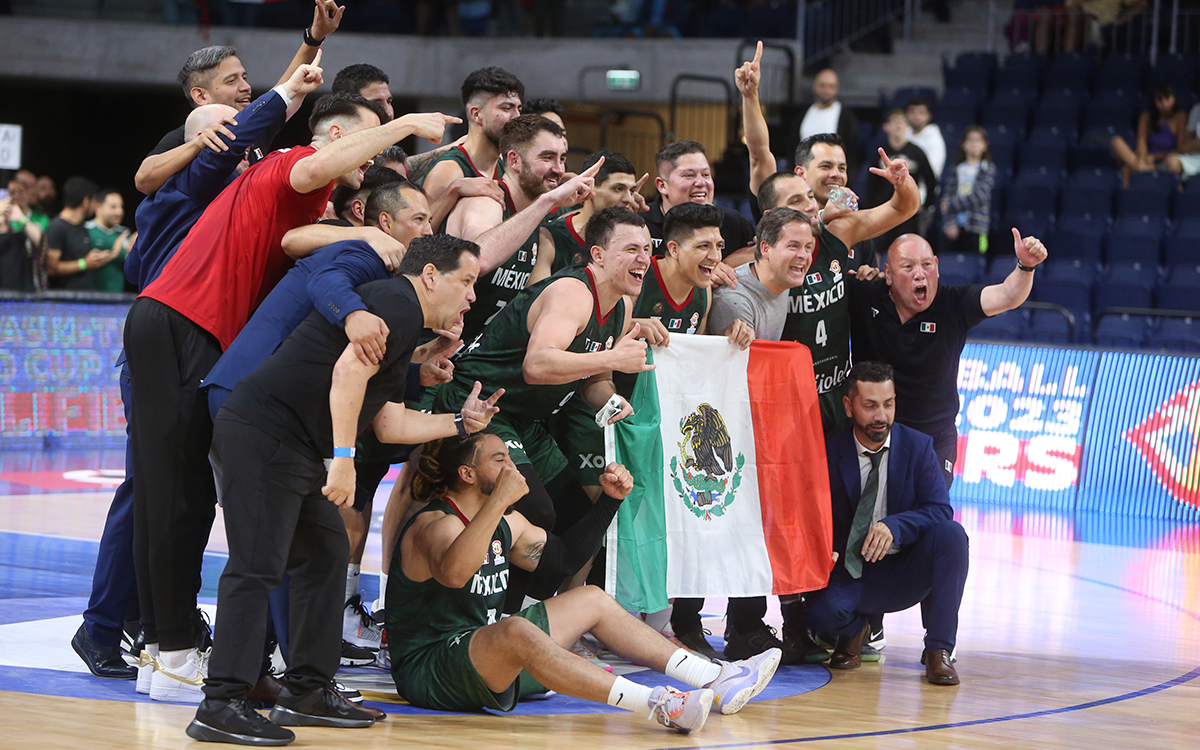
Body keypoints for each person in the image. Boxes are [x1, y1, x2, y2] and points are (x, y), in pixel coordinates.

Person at [126, 85, 457, 702]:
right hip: (189, 328)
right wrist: (405, 123)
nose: (367, 163)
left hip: (202, 341)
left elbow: (297, 243)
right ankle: (180, 656)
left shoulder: (313, 213)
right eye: (363, 144)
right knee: (184, 507)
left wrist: (418, 376)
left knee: (206, 509)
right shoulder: (299, 167)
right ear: (336, 138)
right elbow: (307, 233)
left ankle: (212, 658)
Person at [71, 65, 329, 689]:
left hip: (184, 335)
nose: (244, 92)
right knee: (159, 494)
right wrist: (296, 86)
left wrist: (307, 56)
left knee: (175, 494)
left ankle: (162, 639)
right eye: (232, 83)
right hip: (174, 332)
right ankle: (142, 637)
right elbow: (236, 138)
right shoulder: (198, 177)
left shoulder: (223, 184)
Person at [186, 235, 500, 746]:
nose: (471, 295)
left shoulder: (402, 322)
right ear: (430, 276)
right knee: (256, 566)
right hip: (265, 434)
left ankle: (306, 691)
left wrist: (461, 423)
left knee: (325, 553)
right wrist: (344, 462)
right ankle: (220, 703)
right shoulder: (397, 301)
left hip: (287, 443)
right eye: (465, 281)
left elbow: (391, 425)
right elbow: (348, 372)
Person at [384, 432, 781, 730]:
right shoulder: (434, 525)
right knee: (516, 630)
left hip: (480, 653)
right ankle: (660, 704)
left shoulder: (508, 523)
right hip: (430, 668)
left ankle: (715, 678)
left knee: (590, 598)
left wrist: (609, 501)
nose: (513, 467)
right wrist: (500, 500)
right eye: (499, 459)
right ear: (467, 474)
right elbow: (455, 573)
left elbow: (565, 559)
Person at [428, 206, 653, 610]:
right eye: (631, 249)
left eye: (648, 249)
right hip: (479, 404)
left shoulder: (620, 305)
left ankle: (525, 615)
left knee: (576, 516)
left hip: (526, 420)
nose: (643, 259)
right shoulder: (573, 292)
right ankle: (496, 619)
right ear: (598, 255)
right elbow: (537, 365)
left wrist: (611, 398)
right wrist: (612, 359)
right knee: (538, 510)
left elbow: (594, 381)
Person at [703, 206, 818, 663]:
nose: (803, 255)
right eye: (793, 246)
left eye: (808, 247)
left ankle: (749, 624)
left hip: (755, 427)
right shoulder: (736, 298)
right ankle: (723, 625)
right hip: (722, 432)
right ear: (764, 248)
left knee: (757, 524)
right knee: (732, 524)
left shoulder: (780, 285)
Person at [807, 361, 969, 686]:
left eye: (888, 404)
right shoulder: (828, 452)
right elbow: (810, 517)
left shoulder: (918, 446)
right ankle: (856, 631)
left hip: (903, 569)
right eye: (870, 406)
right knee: (818, 614)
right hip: (851, 572)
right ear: (849, 406)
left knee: (952, 535)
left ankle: (939, 650)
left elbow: (940, 509)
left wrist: (895, 526)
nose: (881, 416)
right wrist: (824, 549)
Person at [848, 230, 1048, 489]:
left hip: (934, 437)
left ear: (937, 267)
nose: (920, 274)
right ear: (888, 273)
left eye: (927, 265)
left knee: (931, 508)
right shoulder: (865, 294)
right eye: (908, 267)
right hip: (875, 433)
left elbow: (1007, 295)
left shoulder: (953, 304)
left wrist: (1026, 266)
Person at [134, 0, 343, 195]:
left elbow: (285, 89)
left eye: (244, 78)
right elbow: (143, 180)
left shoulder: (253, 128)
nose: (246, 87)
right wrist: (198, 144)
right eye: (231, 81)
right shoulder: (189, 137)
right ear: (201, 95)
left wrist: (314, 37)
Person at [445, 114, 600, 348]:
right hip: (436, 352)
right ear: (514, 160)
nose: (559, 169)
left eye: (562, 159)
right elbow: (479, 258)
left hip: (480, 353)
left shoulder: (534, 213)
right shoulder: (487, 201)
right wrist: (548, 201)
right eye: (547, 157)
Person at [531, 149, 647, 281]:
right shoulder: (551, 236)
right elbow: (537, 293)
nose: (628, 199)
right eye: (618, 189)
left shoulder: (641, 233)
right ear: (589, 186)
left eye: (631, 191)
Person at [644, 141, 755, 275]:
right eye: (689, 175)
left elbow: (761, 254)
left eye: (706, 174)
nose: (701, 182)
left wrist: (727, 264)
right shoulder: (640, 224)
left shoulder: (733, 223)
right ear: (662, 185)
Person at [420, 66, 525, 206]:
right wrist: (453, 191)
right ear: (476, 114)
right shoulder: (448, 171)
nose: (517, 117)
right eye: (506, 108)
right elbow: (422, 221)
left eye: (519, 109)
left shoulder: (507, 166)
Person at [863, 109, 937, 250]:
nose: (898, 125)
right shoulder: (879, 152)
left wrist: (925, 205)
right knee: (878, 250)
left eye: (903, 121)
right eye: (894, 121)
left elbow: (931, 181)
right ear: (886, 126)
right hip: (883, 210)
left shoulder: (917, 152)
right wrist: (871, 210)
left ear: (907, 126)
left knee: (907, 250)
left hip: (907, 212)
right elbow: (870, 184)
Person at [1112, 81, 1188, 186]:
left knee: (1127, 169)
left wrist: (1155, 157)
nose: (1164, 103)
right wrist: (1143, 159)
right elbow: (1141, 141)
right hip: (1146, 159)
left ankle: (1142, 169)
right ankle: (1142, 169)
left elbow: (1180, 148)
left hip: (1166, 159)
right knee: (1116, 141)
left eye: (1167, 99)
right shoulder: (1146, 116)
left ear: (1174, 99)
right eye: (1160, 100)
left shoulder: (1180, 117)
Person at [44, 176, 112, 291]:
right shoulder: (56, 228)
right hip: (63, 298)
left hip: (84, 296)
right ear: (86, 201)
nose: (96, 206)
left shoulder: (82, 226)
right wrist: (84, 264)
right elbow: (50, 268)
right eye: (94, 201)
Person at [939, 126, 997, 256]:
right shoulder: (955, 169)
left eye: (978, 140)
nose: (974, 144)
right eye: (970, 140)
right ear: (963, 144)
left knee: (976, 260)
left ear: (984, 145)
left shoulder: (987, 169)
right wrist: (949, 223)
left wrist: (951, 204)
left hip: (977, 228)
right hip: (954, 228)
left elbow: (979, 197)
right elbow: (946, 198)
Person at [797, 68, 860, 177]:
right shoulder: (802, 115)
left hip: (833, 176)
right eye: (822, 85)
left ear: (837, 88)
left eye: (830, 86)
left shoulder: (847, 118)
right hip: (804, 175)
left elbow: (853, 151)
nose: (826, 90)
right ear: (814, 86)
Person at [86, 189, 135, 293]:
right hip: (88, 296)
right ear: (98, 207)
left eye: (121, 207)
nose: (119, 212)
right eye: (113, 207)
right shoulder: (86, 230)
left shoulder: (125, 234)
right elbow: (88, 263)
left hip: (118, 298)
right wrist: (114, 252)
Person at [905, 98, 947, 178]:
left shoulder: (934, 138)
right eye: (913, 112)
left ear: (928, 116)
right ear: (907, 114)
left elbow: (932, 170)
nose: (916, 116)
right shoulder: (903, 132)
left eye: (921, 113)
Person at [1165, 101, 1200, 181]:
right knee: (1172, 161)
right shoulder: (1197, 109)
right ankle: (1178, 187)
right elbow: (1185, 145)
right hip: (1197, 156)